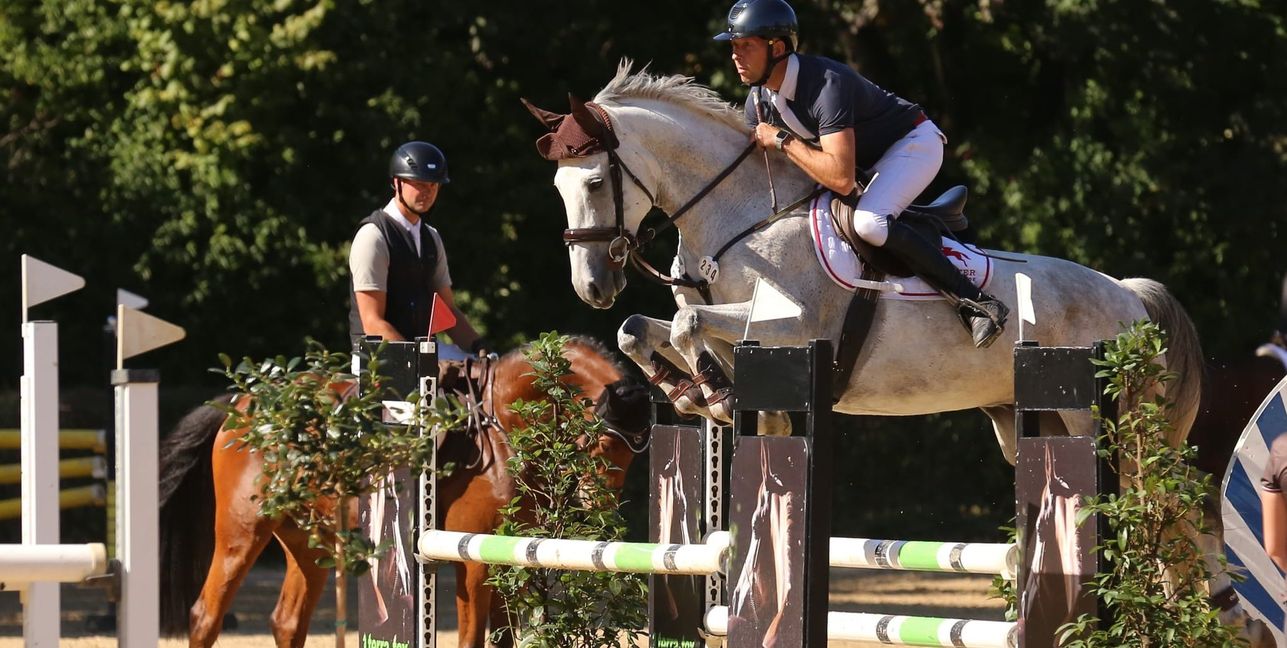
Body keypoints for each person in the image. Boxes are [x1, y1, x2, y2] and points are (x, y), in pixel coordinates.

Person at [713, 0, 1009, 348]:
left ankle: (977, 303)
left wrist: (781, 139)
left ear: (776, 48)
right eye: (734, 46)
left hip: (913, 144)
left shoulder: (825, 84)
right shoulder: (759, 102)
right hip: (866, 164)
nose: (735, 55)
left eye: (746, 45)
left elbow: (840, 177)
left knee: (870, 222)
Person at [348, 140, 485, 357]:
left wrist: (480, 348)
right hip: (378, 360)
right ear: (397, 182)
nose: (427, 192)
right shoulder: (373, 236)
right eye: (419, 184)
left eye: (433, 185)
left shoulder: (431, 237)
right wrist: (418, 362)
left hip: (424, 353)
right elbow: (373, 322)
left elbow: (447, 310)